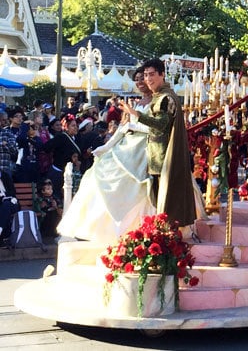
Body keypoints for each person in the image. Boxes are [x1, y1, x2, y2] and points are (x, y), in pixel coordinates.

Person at [57, 67, 156, 241]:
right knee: (99, 172)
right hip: (127, 145)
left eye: (144, 77)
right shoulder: (134, 104)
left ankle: (140, 229)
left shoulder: (158, 102)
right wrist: (106, 146)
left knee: (138, 187)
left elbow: (155, 128)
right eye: (138, 79)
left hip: (146, 147)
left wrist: (134, 126)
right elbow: (123, 129)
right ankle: (110, 229)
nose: (141, 82)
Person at [120, 58, 197, 227]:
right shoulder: (159, 96)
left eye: (152, 74)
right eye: (146, 75)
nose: (148, 79)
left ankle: (167, 235)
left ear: (162, 75)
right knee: (158, 199)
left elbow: (161, 124)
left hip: (164, 156)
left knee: (166, 199)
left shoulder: (166, 98)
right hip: (156, 155)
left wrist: (136, 114)